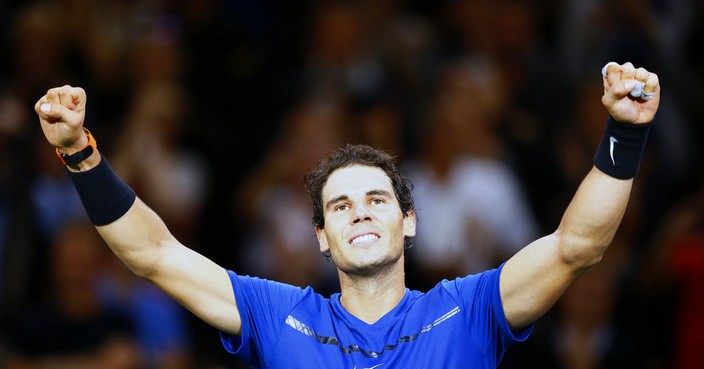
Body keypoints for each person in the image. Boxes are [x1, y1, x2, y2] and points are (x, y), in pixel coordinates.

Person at [32, 61, 660, 368]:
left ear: (409, 222)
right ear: (322, 238)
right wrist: (80, 153)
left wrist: (624, 134)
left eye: (376, 199)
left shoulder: (470, 310)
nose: (359, 214)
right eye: (340, 206)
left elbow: (579, 245)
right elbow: (153, 253)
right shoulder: (276, 315)